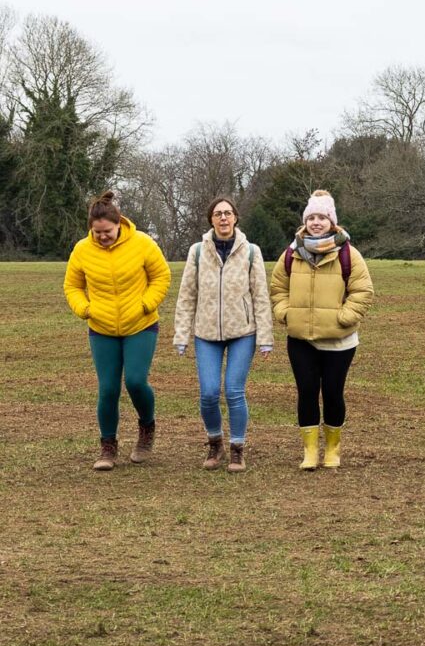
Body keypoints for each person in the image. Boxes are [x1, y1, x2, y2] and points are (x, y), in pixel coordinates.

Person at [64, 190, 172, 471]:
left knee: (136, 381)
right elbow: (72, 286)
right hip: (101, 328)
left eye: (107, 231)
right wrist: (85, 309)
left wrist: (147, 304)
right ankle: (108, 446)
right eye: (97, 232)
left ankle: (147, 428)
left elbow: (161, 276)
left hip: (141, 325)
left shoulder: (142, 243)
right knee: (108, 389)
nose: (102, 236)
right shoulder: (81, 250)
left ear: (118, 224)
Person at [269, 189, 374, 471]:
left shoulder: (348, 254)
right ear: (305, 221)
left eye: (322, 217)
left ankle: (332, 449)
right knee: (306, 391)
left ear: (332, 221)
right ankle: (310, 451)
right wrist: (285, 313)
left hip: (339, 340)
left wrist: (344, 317)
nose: (316, 222)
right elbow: (278, 288)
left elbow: (363, 291)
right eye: (311, 217)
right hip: (300, 338)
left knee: (332, 392)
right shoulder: (291, 253)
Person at [172, 197, 276, 472]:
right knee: (208, 393)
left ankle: (237, 449)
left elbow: (261, 297)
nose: (223, 218)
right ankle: (215, 442)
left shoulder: (251, 251)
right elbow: (186, 296)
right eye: (218, 214)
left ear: (236, 218)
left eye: (228, 213)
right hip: (206, 333)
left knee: (233, 390)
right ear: (211, 220)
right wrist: (181, 335)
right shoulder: (197, 251)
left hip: (243, 331)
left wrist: (265, 338)